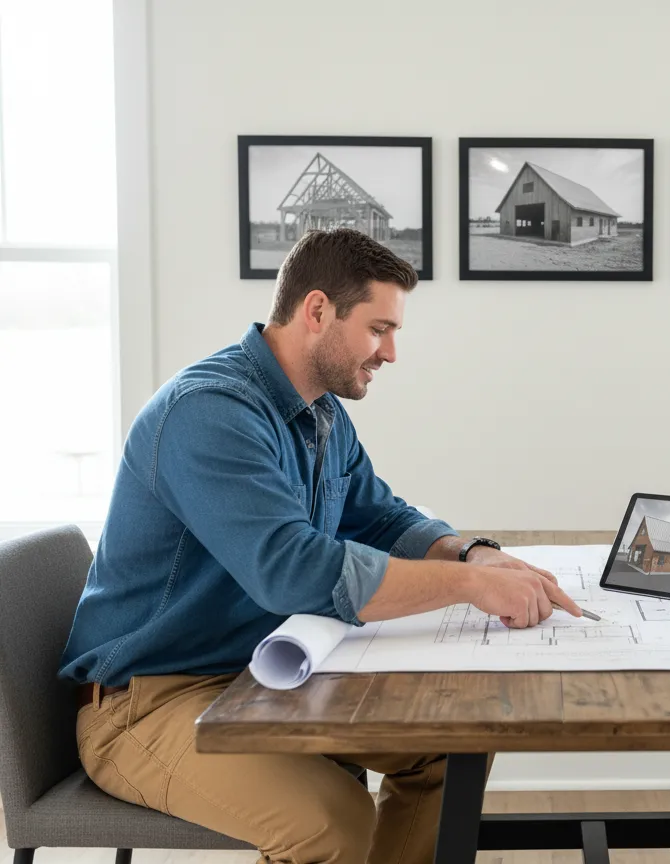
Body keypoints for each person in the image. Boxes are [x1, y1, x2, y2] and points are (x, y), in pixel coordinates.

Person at [59, 228, 582, 864]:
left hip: (263, 676)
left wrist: (473, 554)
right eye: (378, 329)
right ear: (317, 311)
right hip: (149, 702)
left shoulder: (321, 412)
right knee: (331, 825)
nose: (391, 352)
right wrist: (472, 587)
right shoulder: (210, 412)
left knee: (446, 748)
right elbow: (292, 571)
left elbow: (381, 516)